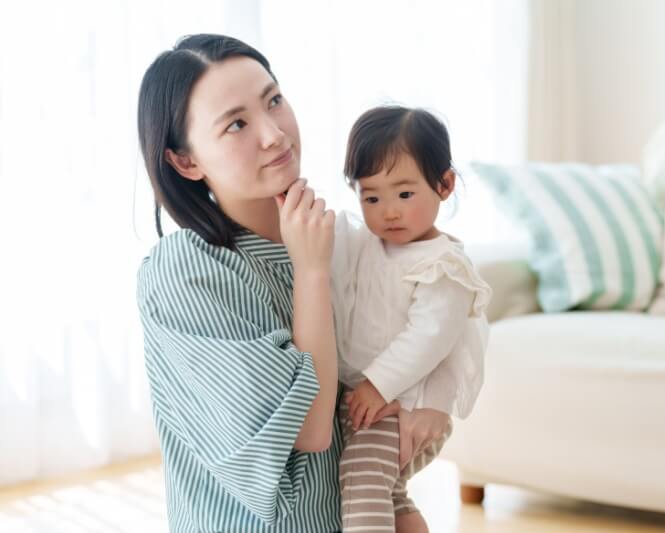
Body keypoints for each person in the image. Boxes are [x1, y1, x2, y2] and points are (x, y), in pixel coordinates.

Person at [135, 34, 451, 532]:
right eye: (237, 123)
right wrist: (310, 272)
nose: (274, 134)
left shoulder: (338, 241)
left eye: (274, 101)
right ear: (186, 161)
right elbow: (309, 429)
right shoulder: (185, 273)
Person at [330, 106, 491, 532]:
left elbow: (429, 337)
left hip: (404, 404)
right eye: (371, 197)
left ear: (445, 184)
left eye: (404, 194)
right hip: (373, 400)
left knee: (362, 484)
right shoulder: (369, 244)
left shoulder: (443, 265)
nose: (389, 212)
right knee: (389, 492)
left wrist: (376, 383)